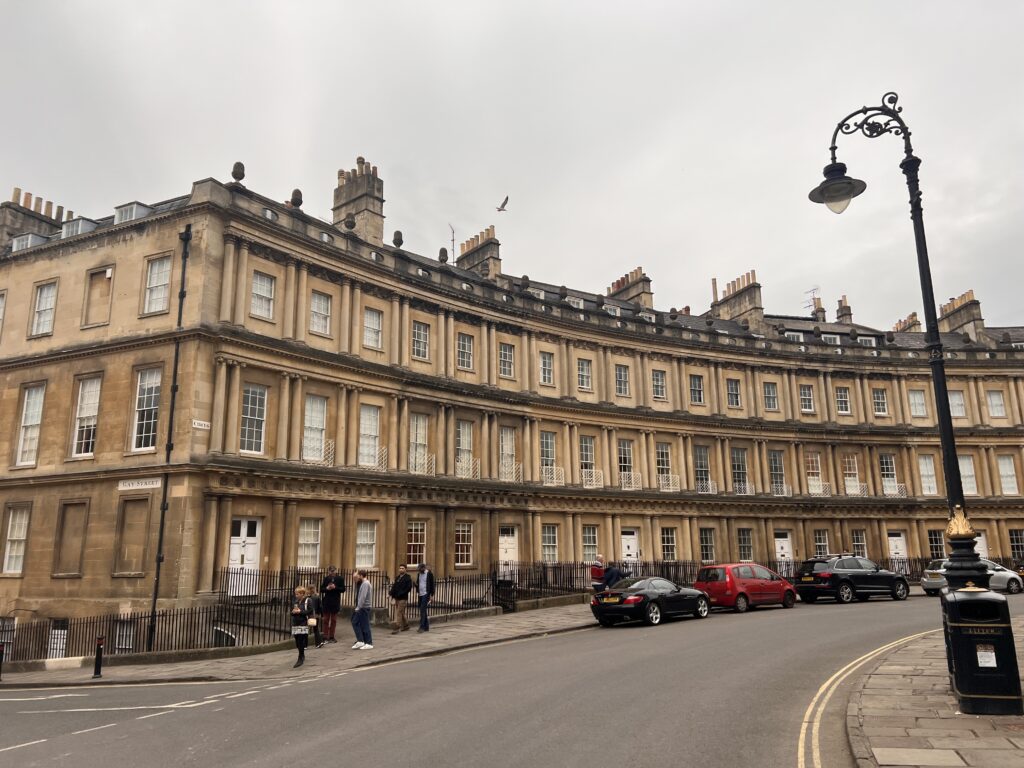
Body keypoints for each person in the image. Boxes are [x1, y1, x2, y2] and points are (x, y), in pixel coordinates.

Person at [319, 566, 346, 644]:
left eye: (333, 571)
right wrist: (327, 588)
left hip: (335, 601)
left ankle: (331, 636)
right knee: (326, 620)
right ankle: (325, 636)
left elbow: (343, 589)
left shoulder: (340, 578)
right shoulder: (326, 578)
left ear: (336, 571)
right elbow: (321, 589)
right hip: (327, 601)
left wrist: (335, 587)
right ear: (328, 571)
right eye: (331, 571)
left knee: (333, 620)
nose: (332, 572)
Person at [289, 586, 313, 667]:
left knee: (300, 640)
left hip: (303, 622)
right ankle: (301, 654)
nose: (296, 595)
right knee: (297, 641)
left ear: (302, 593)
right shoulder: (296, 601)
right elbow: (292, 612)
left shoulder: (308, 600)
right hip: (295, 623)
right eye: (295, 594)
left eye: (297, 594)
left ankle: (300, 657)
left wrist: (300, 612)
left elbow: (310, 611)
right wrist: (293, 612)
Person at [351, 569, 373, 650]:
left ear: (361, 575)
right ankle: (361, 641)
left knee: (364, 625)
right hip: (363, 607)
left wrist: (358, 607)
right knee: (355, 622)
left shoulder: (365, 584)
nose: (357, 577)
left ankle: (368, 643)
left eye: (358, 575)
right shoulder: (364, 583)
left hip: (363, 608)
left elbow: (362, 597)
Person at [389, 564, 413, 634]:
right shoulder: (398, 578)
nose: (401, 569)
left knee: (399, 612)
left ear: (405, 569)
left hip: (403, 598)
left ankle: (397, 628)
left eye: (402, 568)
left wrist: (400, 593)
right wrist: (390, 594)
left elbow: (408, 588)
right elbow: (394, 587)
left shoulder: (408, 578)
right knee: (401, 612)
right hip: (397, 598)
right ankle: (406, 625)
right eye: (400, 568)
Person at [415, 562, 435, 633]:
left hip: (426, 593)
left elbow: (432, 585)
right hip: (420, 594)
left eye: (420, 570)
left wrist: (431, 595)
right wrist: (416, 585)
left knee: (422, 610)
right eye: (418, 570)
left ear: (424, 568)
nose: (419, 571)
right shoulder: (419, 574)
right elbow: (418, 583)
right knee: (423, 610)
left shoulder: (429, 574)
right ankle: (426, 627)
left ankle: (422, 627)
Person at [307, 583, 324, 648]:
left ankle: (305, 644)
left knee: (307, 629)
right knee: (316, 629)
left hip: (309, 615)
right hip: (316, 615)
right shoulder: (317, 597)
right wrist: (322, 615)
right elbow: (321, 607)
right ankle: (319, 642)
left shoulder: (308, 598)